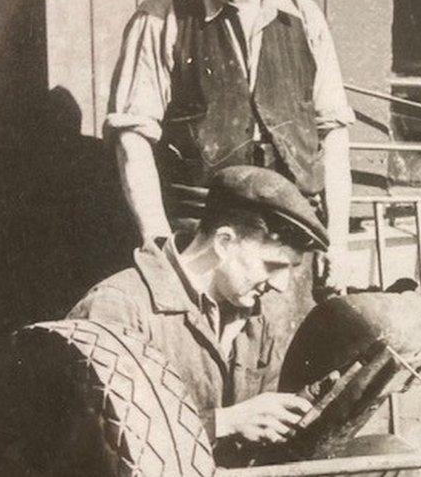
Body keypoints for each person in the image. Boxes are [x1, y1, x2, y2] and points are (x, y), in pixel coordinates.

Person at [105, 0, 355, 345]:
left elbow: (334, 137)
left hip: (286, 251)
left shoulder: (303, 14)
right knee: (200, 373)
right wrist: (159, 246)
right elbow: (132, 139)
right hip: (202, 243)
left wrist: (339, 243)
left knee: (283, 376)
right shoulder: (163, 15)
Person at [67, 166, 399, 468]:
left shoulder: (256, 313)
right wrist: (224, 423)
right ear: (224, 242)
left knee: (393, 456)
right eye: (273, 266)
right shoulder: (118, 307)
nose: (282, 286)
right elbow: (82, 444)